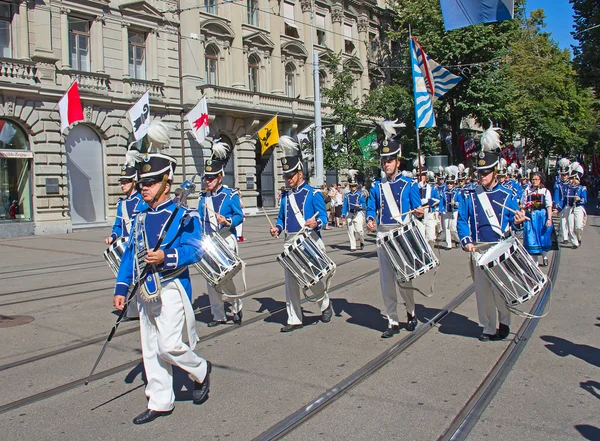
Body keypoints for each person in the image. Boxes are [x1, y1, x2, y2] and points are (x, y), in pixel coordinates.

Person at [112, 136, 210, 424]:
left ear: (167, 184)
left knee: (169, 345)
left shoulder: (183, 215)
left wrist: (165, 258)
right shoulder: (140, 217)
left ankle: (201, 369)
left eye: (150, 183)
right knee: (151, 348)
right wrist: (121, 287)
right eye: (142, 184)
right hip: (145, 288)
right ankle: (160, 401)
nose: (144, 188)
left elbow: (196, 250)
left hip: (172, 286)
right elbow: (130, 254)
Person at [457, 125, 526, 342]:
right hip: (479, 248)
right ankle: (487, 326)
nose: (482, 176)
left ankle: (504, 321)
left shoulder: (507, 195)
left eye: (486, 172)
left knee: (500, 289)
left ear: (495, 171)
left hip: (500, 248)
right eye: (479, 172)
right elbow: (462, 220)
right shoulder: (470, 195)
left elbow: (515, 226)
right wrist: (466, 240)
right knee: (483, 292)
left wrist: (517, 224)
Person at [270, 135, 333, 332]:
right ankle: (294, 318)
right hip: (290, 242)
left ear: (299, 173)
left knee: (310, 278)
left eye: (291, 175)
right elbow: (281, 218)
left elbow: (323, 217)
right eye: (285, 176)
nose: (288, 179)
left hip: (309, 240)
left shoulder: (313, 194)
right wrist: (277, 228)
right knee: (290, 283)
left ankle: (324, 303)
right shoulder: (285, 197)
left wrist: (316, 222)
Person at [366, 138, 424, 338]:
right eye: (384, 161)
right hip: (383, 234)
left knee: (404, 278)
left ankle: (411, 311)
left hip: (402, 233)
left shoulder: (409, 184)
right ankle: (392, 320)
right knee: (386, 281)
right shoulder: (376, 186)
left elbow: (418, 209)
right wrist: (370, 219)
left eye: (390, 160)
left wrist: (419, 213)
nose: (386, 164)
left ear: (397, 162)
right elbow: (371, 206)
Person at [197, 140, 244, 326]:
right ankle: (218, 315)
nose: (207, 181)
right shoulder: (203, 198)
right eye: (206, 178)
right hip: (209, 241)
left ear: (219, 177)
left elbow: (239, 216)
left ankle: (235, 305)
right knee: (211, 279)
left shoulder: (230, 195)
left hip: (225, 239)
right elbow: (200, 219)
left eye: (211, 178)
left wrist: (227, 221)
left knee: (225, 277)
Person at [105, 165, 144, 245]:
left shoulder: (142, 200)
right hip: (127, 244)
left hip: (140, 245)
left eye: (125, 182)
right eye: (121, 183)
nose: (122, 185)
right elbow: (118, 226)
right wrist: (112, 237)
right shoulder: (122, 203)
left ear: (134, 182)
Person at [521, 172, 553, 266]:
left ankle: (545, 256)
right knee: (532, 238)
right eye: (533, 179)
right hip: (530, 217)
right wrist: (523, 216)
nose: (534, 181)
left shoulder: (545, 191)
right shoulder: (527, 191)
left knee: (543, 237)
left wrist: (549, 219)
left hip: (542, 217)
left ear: (540, 180)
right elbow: (523, 205)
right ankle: (535, 261)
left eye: (537, 179)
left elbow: (549, 206)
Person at [557, 162, 586, 248]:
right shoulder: (568, 189)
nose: (573, 181)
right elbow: (564, 200)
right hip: (569, 208)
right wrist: (558, 209)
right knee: (571, 226)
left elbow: (585, 199)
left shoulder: (582, 188)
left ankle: (579, 237)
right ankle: (575, 243)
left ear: (578, 180)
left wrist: (579, 199)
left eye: (575, 179)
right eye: (572, 179)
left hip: (578, 207)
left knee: (578, 227)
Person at [341, 171, 366, 251]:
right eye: (351, 186)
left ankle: (362, 241)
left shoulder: (360, 194)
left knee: (359, 230)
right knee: (350, 231)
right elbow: (345, 205)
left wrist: (359, 206)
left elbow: (364, 204)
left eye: (354, 186)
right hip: (350, 213)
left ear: (356, 186)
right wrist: (343, 214)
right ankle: (353, 246)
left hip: (358, 213)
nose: (353, 188)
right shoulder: (347, 195)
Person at [441, 166, 461, 249]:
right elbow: (441, 202)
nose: (449, 185)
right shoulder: (444, 192)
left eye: (451, 183)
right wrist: (441, 211)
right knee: (446, 228)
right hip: (446, 211)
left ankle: (458, 240)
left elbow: (460, 202)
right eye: (448, 183)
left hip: (454, 211)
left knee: (453, 228)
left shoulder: (457, 192)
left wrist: (455, 203)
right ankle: (448, 244)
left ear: (454, 184)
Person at [553, 158, 571, 243]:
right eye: (562, 175)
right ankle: (565, 238)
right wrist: (556, 204)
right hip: (561, 205)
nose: (563, 176)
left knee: (571, 222)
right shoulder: (558, 184)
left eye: (565, 175)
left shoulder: (571, 183)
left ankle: (575, 236)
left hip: (570, 205)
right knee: (563, 221)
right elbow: (556, 194)